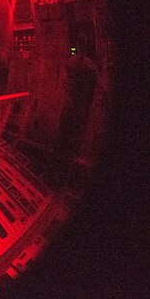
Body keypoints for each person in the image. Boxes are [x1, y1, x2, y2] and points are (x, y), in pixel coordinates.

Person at [53, 33, 98, 188]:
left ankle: (54, 174)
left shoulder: (69, 63)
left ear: (77, 46)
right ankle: (66, 178)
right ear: (86, 46)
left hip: (68, 106)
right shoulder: (91, 67)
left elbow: (65, 84)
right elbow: (92, 92)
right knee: (73, 143)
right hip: (80, 108)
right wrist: (87, 111)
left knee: (61, 139)